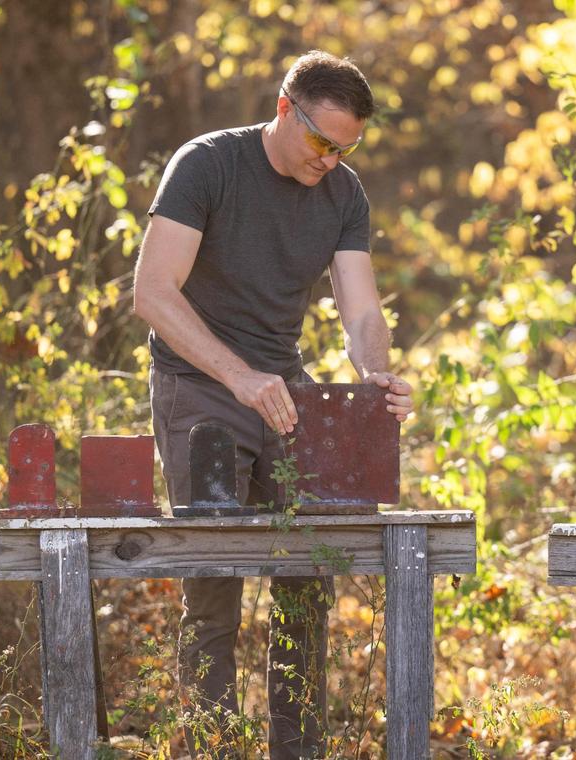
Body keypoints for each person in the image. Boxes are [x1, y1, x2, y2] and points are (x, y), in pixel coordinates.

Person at [133, 50, 413, 759]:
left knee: (305, 571)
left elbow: (360, 310)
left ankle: (298, 749)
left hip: (284, 390)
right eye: (322, 141)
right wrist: (238, 377)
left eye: (347, 147)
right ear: (286, 107)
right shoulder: (208, 165)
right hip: (199, 384)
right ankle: (217, 747)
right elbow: (153, 293)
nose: (332, 158)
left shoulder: (344, 193)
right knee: (215, 585)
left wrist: (374, 374)